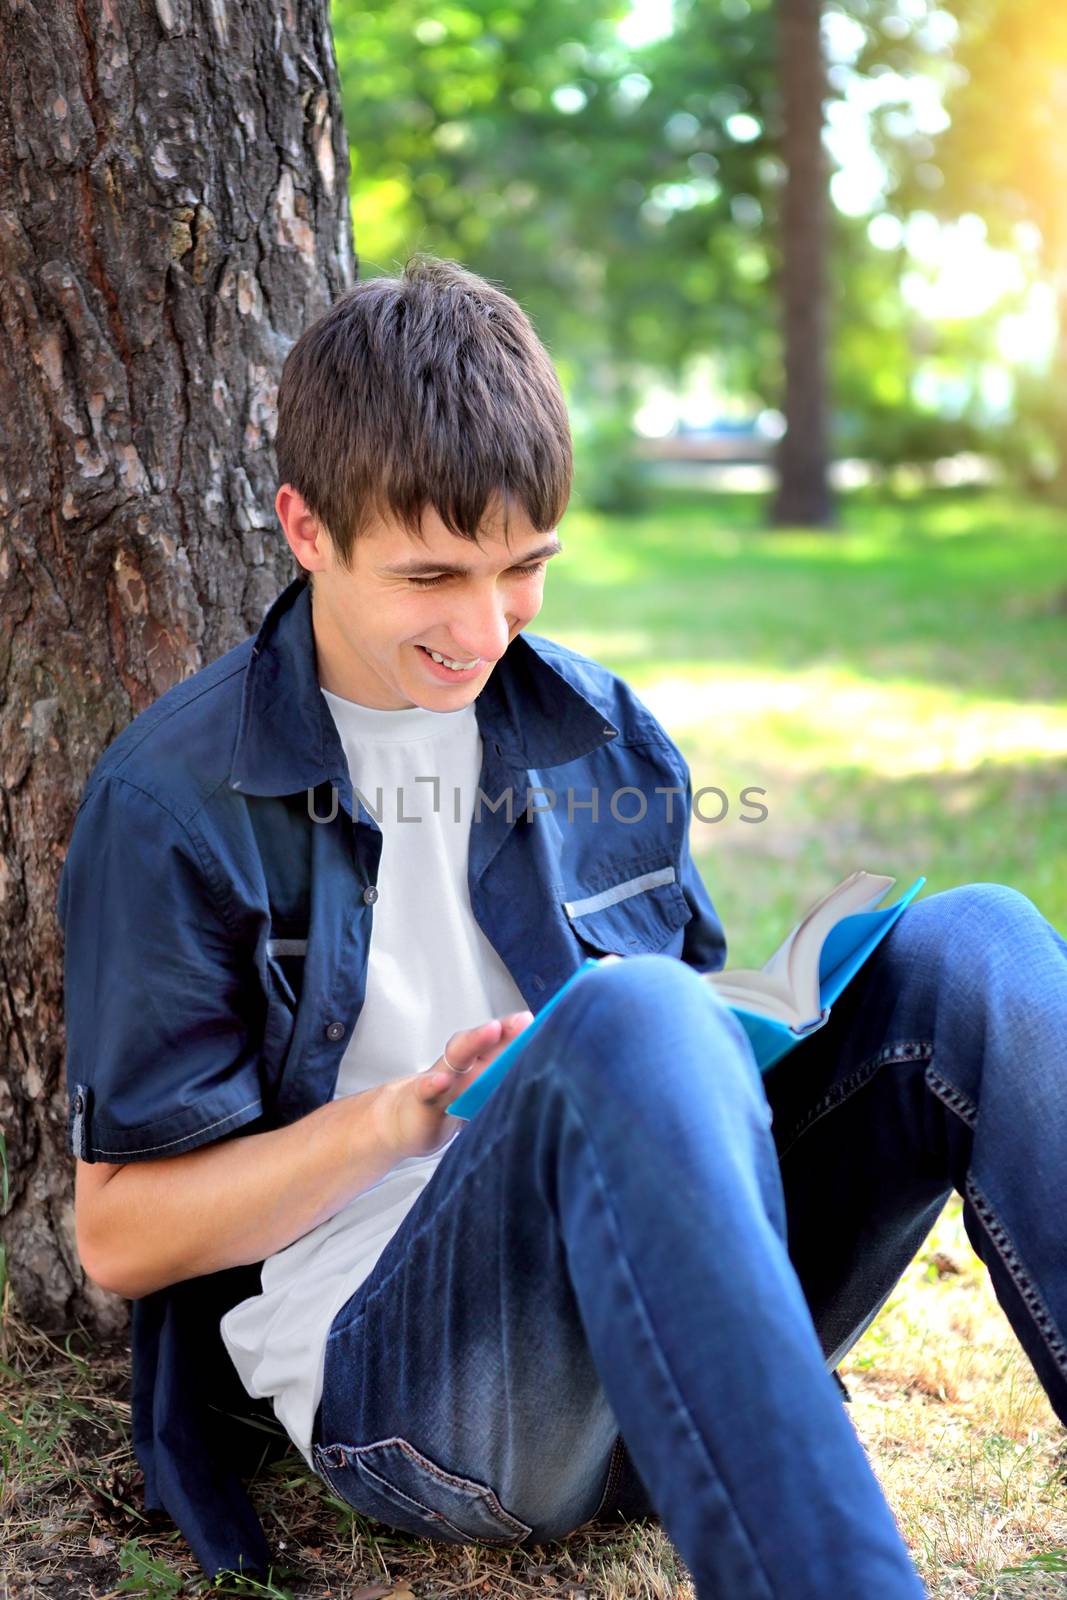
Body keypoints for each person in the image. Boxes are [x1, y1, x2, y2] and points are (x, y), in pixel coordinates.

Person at [57, 255, 1067, 1600]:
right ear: (306, 531)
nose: (485, 629)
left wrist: (765, 1018)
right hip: (420, 1390)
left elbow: (686, 1058)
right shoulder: (173, 798)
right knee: (628, 1016)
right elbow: (120, 1234)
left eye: (524, 569)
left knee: (979, 950)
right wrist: (405, 1116)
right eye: (433, 575)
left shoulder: (594, 725)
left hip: (678, 1338)